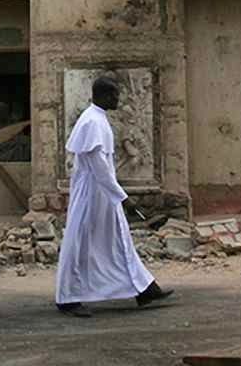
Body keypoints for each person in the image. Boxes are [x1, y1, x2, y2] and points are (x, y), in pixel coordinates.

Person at [55, 76, 174, 317]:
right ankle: (67, 298)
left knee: (118, 239)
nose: (118, 99)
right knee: (80, 242)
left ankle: (144, 289)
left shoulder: (98, 119)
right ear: (104, 95)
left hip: (103, 193)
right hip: (92, 195)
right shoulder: (92, 121)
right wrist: (123, 197)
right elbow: (99, 167)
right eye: (115, 95)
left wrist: (116, 196)